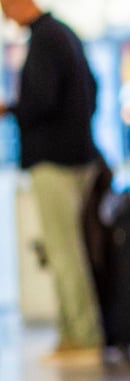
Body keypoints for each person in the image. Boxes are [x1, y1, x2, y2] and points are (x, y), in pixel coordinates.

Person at [0, 0, 104, 359]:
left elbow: (41, 101)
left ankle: (81, 336)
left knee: (63, 252)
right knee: (69, 248)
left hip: (55, 160)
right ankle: (75, 333)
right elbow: (94, 89)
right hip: (76, 156)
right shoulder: (64, 34)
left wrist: (10, 109)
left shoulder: (45, 39)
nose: (4, 15)